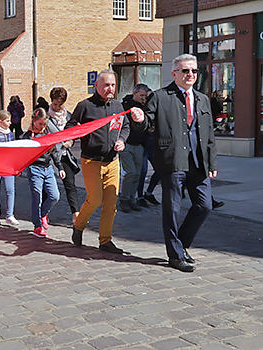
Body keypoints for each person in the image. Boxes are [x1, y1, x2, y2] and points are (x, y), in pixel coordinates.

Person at [141, 54, 217, 273]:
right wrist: (139, 119)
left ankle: (180, 244)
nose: (190, 75)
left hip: (198, 163)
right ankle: (174, 255)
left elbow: (209, 134)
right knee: (172, 209)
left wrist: (212, 162)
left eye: (193, 71)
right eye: (185, 71)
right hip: (173, 161)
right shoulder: (161, 97)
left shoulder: (202, 99)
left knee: (204, 205)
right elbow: (147, 122)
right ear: (174, 73)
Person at [67, 70, 144, 254]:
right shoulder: (85, 106)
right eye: (106, 85)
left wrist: (122, 140)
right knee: (94, 199)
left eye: (112, 85)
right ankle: (78, 226)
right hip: (91, 161)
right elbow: (71, 125)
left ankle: (105, 240)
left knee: (110, 204)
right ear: (97, 86)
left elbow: (125, 126)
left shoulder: (118, 106)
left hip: (112, 162)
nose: (110, 89)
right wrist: (70, 138)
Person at [21, 108, 65, 237]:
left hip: (48, 168)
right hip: (35, 169)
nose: (43, 126)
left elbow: (54, 152)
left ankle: (43, 214)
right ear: (34, 121)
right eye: (40, 124)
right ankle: (37, 226)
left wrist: (60, 167)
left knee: (54, 196)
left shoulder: (47, 133)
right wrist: (18, 168)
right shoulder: (28, 137)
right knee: (37, 196)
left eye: (44, 124)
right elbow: (22, 155)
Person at [48, 87, 81, 224]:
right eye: (54, 104)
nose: (56, 107)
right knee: (48, 186)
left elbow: (73, 134)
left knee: (70, 185)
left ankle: (76, 214)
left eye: (59, 104)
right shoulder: (45, 116)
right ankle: (44, 213)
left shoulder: (69, 116)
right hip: (49, 156)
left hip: (64, 154)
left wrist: (70, 141)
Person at [119, 84, 152, 212]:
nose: (144, 98)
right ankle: (124, 199)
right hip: (127, 143)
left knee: (138, 174)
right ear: (135, 94)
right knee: (130, 172)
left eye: (145, 96)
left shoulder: (145, 106)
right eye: (142, 95)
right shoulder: (126, 106)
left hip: (140, 144)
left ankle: (132, 199)